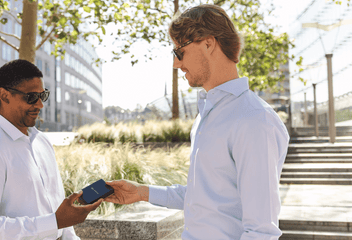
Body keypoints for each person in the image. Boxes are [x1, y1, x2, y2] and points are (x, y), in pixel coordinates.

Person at [105, 4, 289, 240]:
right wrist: (141, 192)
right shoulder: (207, 114)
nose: (176, 64)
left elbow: (261, 231)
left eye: (178, 52)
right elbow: (203, 196)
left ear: (208, 43)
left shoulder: (253, 119)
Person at [0, 59, 102, 240]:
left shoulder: (42, 142)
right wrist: (54, 223)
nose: (40, 105)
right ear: (4, 96)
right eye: (31, 97)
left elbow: (57, 211)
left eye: (42, 96)